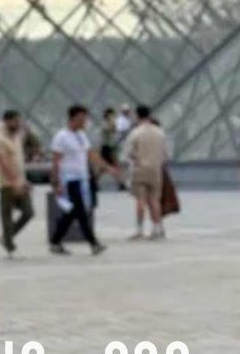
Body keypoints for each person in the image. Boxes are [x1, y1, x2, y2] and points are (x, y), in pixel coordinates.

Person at [49, 104, 118, 256]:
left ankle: (55, 241)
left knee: (74, 212)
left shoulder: (81, 136)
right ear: (73, 118)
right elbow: (55, 161)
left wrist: (108, 168)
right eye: (82, 118)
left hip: (83, 179)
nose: (85, 121)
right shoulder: (61, 137)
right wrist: (56, 182)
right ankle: (94, 243)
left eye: (85, 118)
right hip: (69, 179)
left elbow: (91, 155)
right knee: (80, 212)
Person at [125, 104, 170, 240]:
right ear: (150, 115)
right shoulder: (160, 132)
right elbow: (166, 154)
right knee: (155, 200)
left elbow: (129, 153)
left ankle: (139, 230)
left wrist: (137, 160)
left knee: (140, 200)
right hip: (156, 170)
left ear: (137, 115)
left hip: (140, 169)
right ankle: (156, 228)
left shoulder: (135, 133)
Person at [0, 110, 34, 256]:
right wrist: (15, 181)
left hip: (21, 181)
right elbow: (3, 164)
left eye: (19, 121)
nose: (18, 124)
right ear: (6, 121)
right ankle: (10, 246)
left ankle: (6, 237)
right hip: (6, 183)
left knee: (28, 212)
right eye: (16, 121)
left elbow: (19, 161)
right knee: (7, 215)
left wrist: (24, 180)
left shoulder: (17, 137)